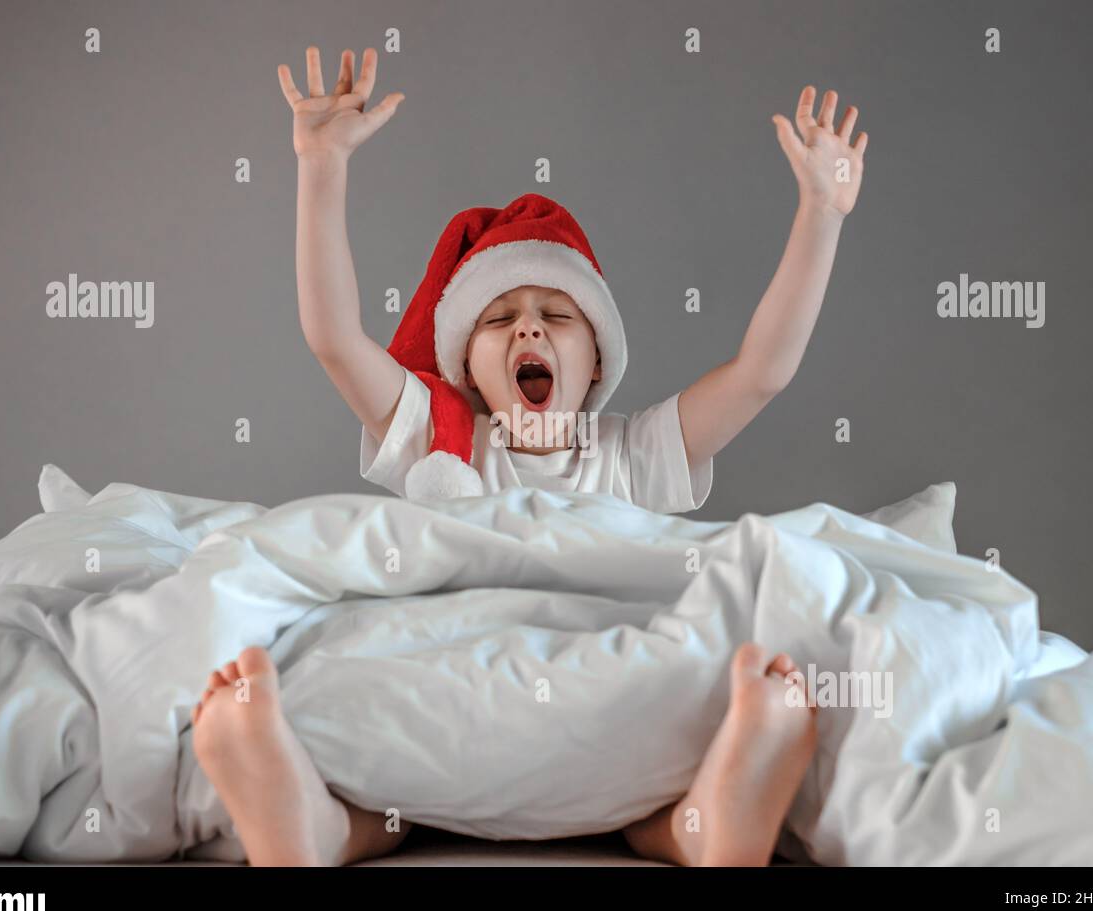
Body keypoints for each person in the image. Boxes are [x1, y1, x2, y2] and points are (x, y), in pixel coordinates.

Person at [191, 44, 869, 866]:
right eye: (498, 317)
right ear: (466, 367)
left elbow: (762, 371)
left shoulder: (634, 452)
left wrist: (820, 215)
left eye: (558, 312)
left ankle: (712, 825)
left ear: (597, 365)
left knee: (644, 798)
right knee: (402, 799)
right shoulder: (443, 438)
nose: (529, 328)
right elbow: (334, 338)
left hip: (600, 693)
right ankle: (311, 830)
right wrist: (321, 166)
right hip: (452, 699)